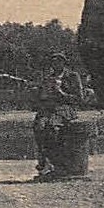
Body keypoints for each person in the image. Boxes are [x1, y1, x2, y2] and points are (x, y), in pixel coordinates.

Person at [32, 51, 85, 180]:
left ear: (64, 63)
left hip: (66, 109)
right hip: (49, 109)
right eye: (53, 62)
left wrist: (61, 94)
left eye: (59, 61)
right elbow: (40, 98)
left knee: (51, 128)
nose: (56, 64)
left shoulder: (72, 76)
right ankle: (44, 163)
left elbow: (79, 98)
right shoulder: (48, 78)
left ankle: (57, 165)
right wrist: (40, 93)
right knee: (39, 127)